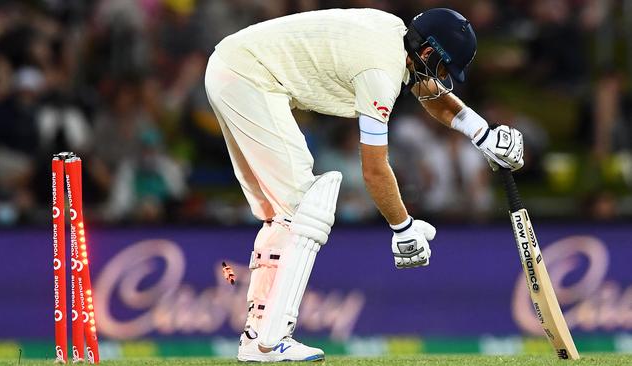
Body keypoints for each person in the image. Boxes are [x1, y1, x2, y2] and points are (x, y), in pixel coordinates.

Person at [204, 8, 524, 362]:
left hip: (231, 70)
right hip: (248, 78)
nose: (441, 78)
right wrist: (402, 227)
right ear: (429, 52)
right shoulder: (380, 73)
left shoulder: (393, 35)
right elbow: (373, 169)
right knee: (306, 206)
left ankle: (257, 339)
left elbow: (429, 92)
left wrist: (483, 135)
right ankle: (271, 340)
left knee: (280, 215)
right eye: (442, 68)